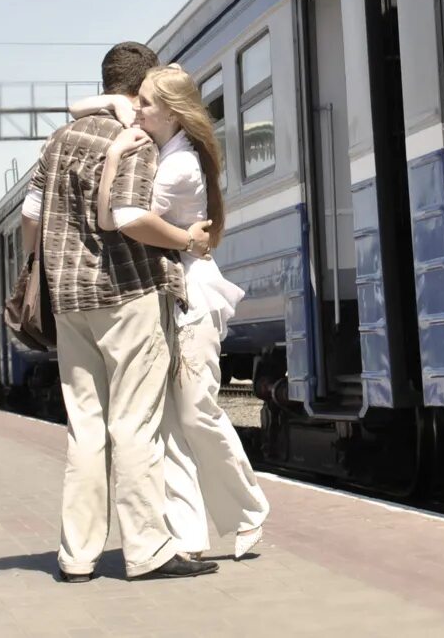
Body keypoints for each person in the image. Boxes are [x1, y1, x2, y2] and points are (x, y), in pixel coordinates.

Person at [19, 41, 218, 584]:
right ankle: (147, 549)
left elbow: (30, 217)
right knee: (135, 423)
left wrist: (45, 267)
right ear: (140, 89)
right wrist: (186, 240)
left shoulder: (59, 141)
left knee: (86, 428)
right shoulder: (136, 140)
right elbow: (129, 216)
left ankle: (77, 555)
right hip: (128, 295)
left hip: (70, 301)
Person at [83, 64, 270, 561]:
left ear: (171, 111)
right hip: (168, 300)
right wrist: (115, 113)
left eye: (145, 102)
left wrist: (117, 154)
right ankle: (188, 535)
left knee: (195, 412)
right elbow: (115, 216)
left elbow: (123, 219)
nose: (136, 109)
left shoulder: (180, 165)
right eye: (137, 100)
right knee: (171, 423)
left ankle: (250, 509)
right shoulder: (163, 149)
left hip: (193, 302)